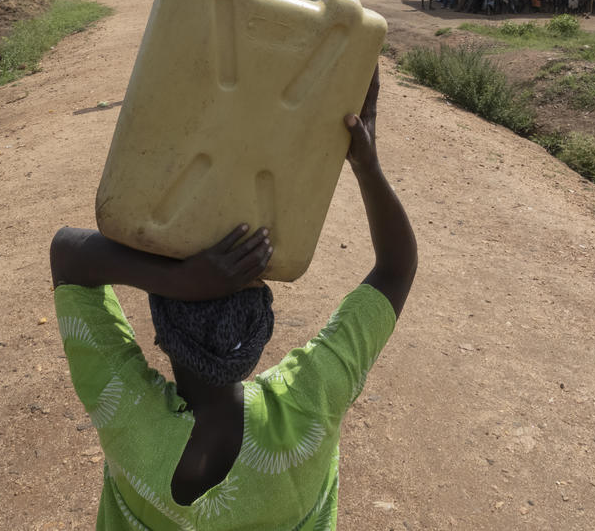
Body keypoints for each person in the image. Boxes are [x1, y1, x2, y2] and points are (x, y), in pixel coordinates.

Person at [50, 68, 416, 530]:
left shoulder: (129, 419)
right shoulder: (311, 401)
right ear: (260, 334)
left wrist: (182, 280)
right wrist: (368, 166)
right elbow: (396, 269)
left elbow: (67, 253)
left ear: (161, 335)